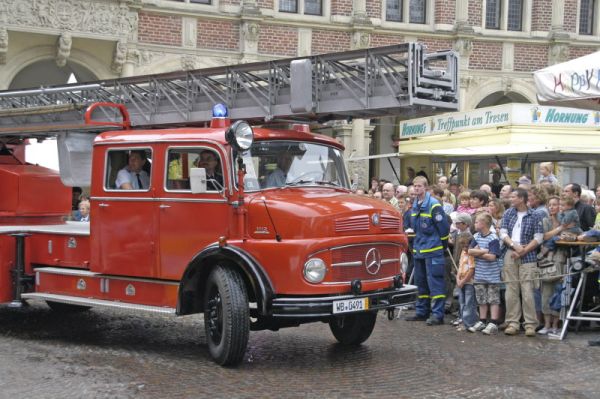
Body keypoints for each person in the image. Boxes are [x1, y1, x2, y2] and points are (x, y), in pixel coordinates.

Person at [404, 176, 450, 325]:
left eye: (419, 186)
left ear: (425, 187)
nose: (416, 188)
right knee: (421, 282)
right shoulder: (415, 204)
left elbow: (443, 228)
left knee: (435, 283)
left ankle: (437, 315)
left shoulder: (433, 205)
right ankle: (422, 312)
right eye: (414, 186)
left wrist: (442, 245)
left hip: (433, 249)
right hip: (419, 249)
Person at [500, 188, 544, 337]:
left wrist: (523, 251)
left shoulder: (535, 215)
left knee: (528, 291)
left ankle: (530, 324)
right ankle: (512, 322)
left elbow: (538, 237)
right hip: (510, 253)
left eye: (514, 197)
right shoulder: (508, 213)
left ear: (522, 199)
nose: (511, 199)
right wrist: (514, 246)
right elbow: (503, 233)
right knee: (511, 290)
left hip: (528, 255)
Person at [468, 213, 503, 335]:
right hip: (480, 274)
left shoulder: (493, 238)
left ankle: (493, 322)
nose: (475, 224)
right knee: (481, 299)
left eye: (477, 222)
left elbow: (492, 257)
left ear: (483, 224)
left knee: (493, 299)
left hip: (492, 275)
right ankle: (482, 320)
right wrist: (484, 251)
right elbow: (470, 250)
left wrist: (478, 252)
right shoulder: (476, 236)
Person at [538, 196, 568, 335]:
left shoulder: (566, 220)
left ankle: (556, 325)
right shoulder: (545, 220)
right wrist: (560, 230)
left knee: (558, 293)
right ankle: (547, 324)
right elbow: (545, 236)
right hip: (546, 261)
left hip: (561, 259)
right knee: (545, 293)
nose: (552, 207)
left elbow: (570, 236)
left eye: (555, 204)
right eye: (550, 205)